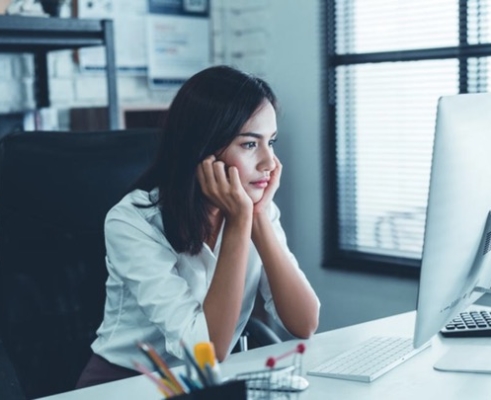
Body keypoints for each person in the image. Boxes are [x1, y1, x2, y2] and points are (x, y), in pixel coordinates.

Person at [76, 65, 320, 388]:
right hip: (125, 384)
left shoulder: (255, 210)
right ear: (204, 149)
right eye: (250, 144)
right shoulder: (133, 221)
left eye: (270, 142)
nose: (269, 162)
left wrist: (258, 217)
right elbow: (207, 350)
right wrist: (240, 223)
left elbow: (304, 323)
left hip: (203, 382)